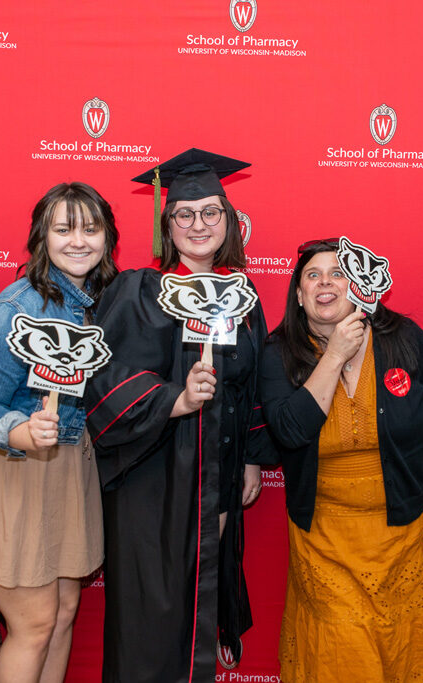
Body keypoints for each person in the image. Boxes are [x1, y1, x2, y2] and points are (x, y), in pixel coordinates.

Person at [84, 149, 277, 683]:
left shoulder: (243, 295)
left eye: (211, 212)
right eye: (185, 214)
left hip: (216, 475)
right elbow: (101, 376)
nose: (199, 224)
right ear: (166, 225)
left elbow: (255, 383)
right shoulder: (137, 290)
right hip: (152, 476)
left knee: (200, 600)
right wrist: (174, 399)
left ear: (229, 222)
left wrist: (252, 461)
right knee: (152, 614)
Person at [258, 238, 423, 682]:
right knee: (343, 652)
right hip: (325, 539)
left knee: (407, 650)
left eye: (338, 272)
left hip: (407, 530)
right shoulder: (279, 353)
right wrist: (334, 354)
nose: (325, 283)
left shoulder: (406, 339)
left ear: (362, 284)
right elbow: (290, 431)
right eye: (313, 275)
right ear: (298, 294)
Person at [0, 182, 117, 683]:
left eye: (91, 228)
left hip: (67, 469)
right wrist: (20, 431)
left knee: (63, 611)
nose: (79, 241)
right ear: (43, 237)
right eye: (64, 229)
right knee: (35, 622)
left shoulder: (98, 303)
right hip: (13, 472)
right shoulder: (10, 313)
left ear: (108, 236)